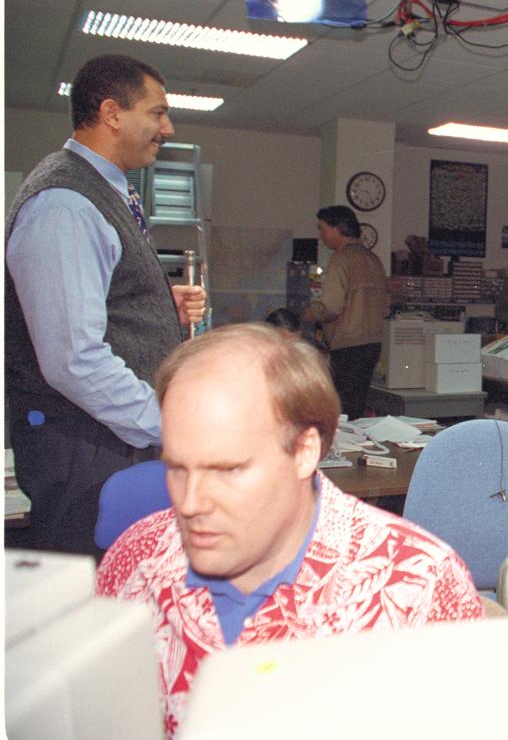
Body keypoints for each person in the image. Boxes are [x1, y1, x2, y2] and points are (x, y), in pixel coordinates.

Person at [96, 324, 483, 737]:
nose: (189, 504)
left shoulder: (418, 588)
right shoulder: (135, 560)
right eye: (176, 468)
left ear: (304, 451)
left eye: (226, 470)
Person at [5, 54, 206, 556]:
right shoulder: (66, 204)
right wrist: (168, 425)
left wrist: (160, 306)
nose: (168, 127)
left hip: (110, 440)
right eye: (157, 112)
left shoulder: (103, 194)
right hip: (87, 451)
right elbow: (74, 359)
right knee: (95, 602)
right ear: (113, 113)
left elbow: (101, 303)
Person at [302, 205, 389, 418]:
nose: (321, 236)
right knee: (357, 406)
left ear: (338, 228)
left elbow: (331, 306)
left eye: (323, 229)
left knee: (341, 410)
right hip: (372, 343)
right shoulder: (373, 258)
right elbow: (385, 304)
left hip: (347, 344)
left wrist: (309, 314)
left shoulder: (341, 259)